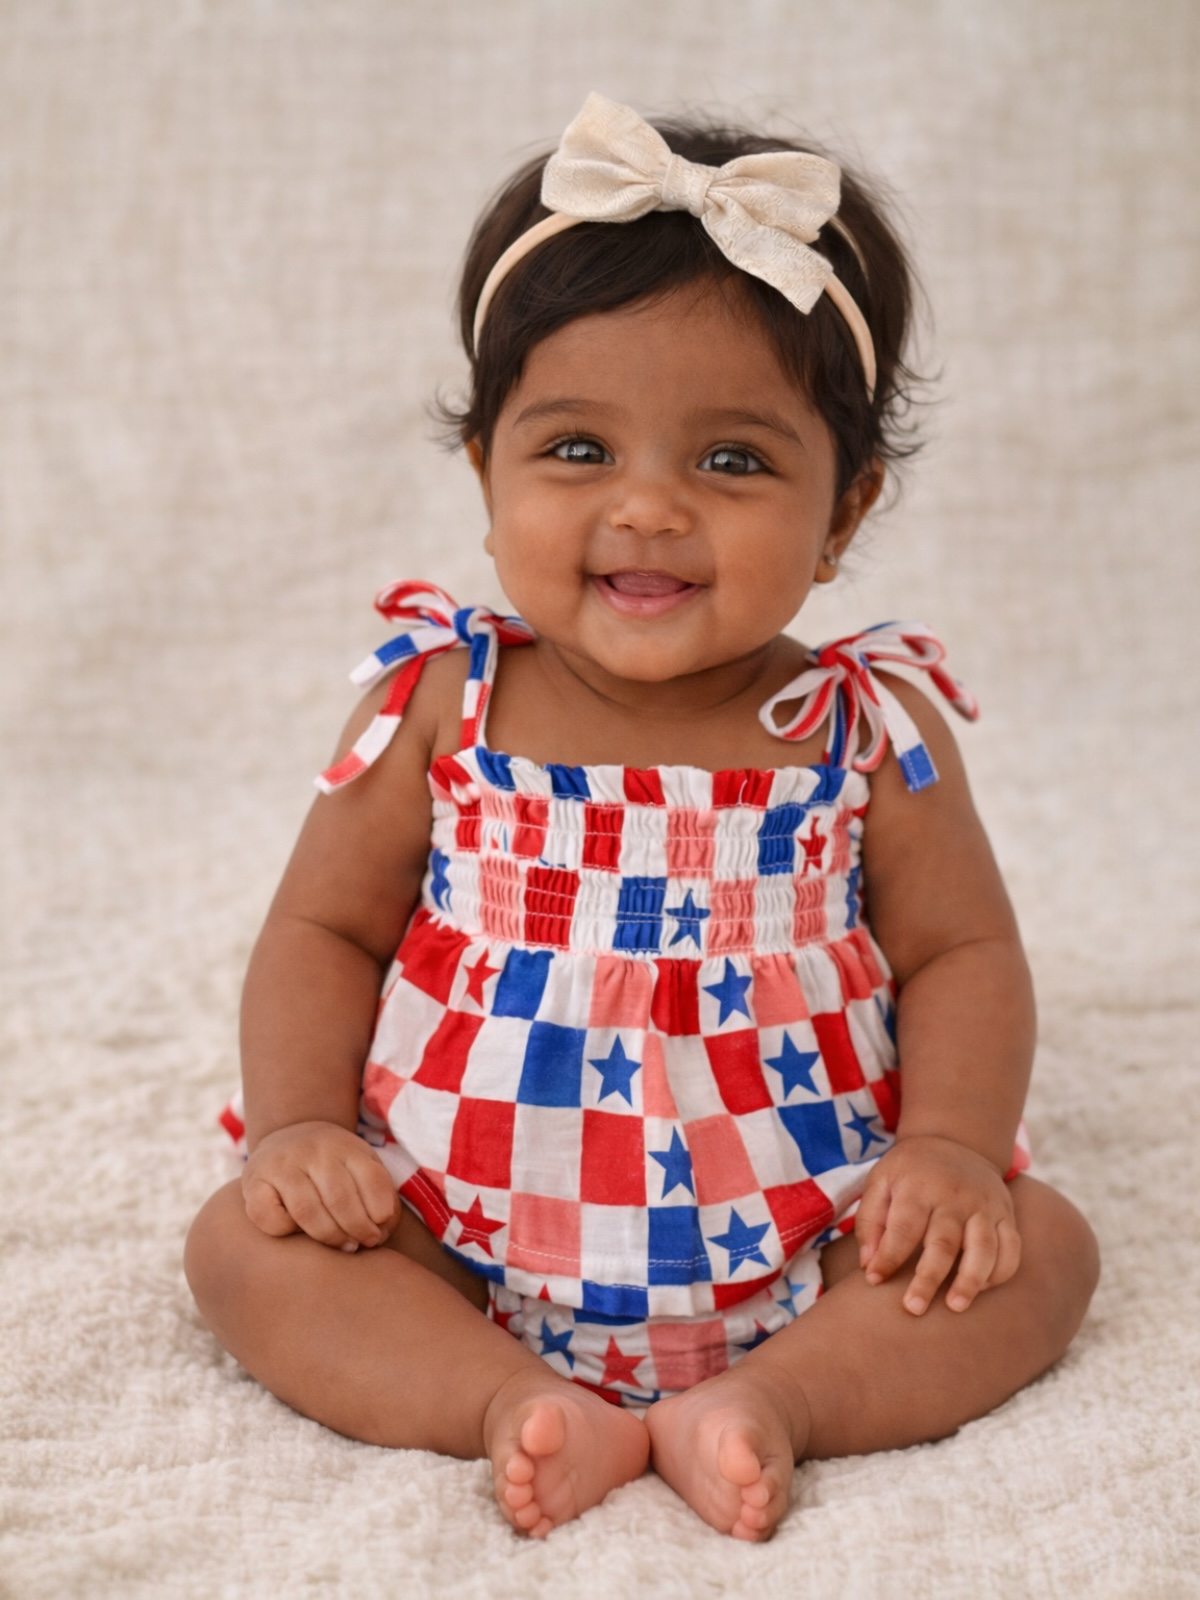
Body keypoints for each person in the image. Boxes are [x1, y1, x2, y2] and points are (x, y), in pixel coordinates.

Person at [184, 93, 1099, 1543]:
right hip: (454, 1213)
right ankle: (501, 1396)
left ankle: (779, 1397)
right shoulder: (445, 701)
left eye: (733, 461)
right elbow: (323, 928)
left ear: (844, 512)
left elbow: (962, 953)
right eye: (577, 450)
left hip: (809, 1211)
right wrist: (299, 1126)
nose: (652, 508)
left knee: (1041, 1253)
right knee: (245, 1252)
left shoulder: (865, 729)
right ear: (484, 474)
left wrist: (951, 1150)